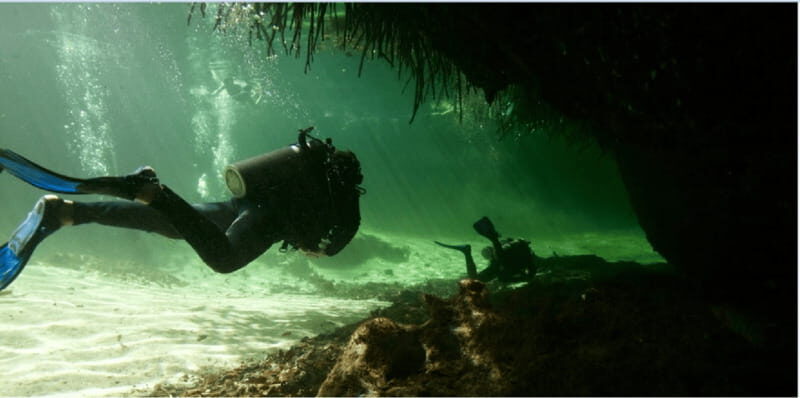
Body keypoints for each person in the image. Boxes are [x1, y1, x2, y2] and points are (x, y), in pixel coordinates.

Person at [0, 127, 364, 291]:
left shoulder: (311, 174)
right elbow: (330, 245)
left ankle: (67, 213)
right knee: (223, 259)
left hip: (244, 203)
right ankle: (153, 192)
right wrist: (316, 248)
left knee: (176, 225)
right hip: (268, 218)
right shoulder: (346, 204)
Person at [435, 216, 537, 283]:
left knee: (475, 280)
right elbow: (530, 274)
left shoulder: (522, 258)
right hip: (503, 260)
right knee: (477, 279)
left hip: (501, 262)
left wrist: (521, 277)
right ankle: (489, 240)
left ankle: (467, 251)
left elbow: (508, 277)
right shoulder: (528, 258)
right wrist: (523, 277)